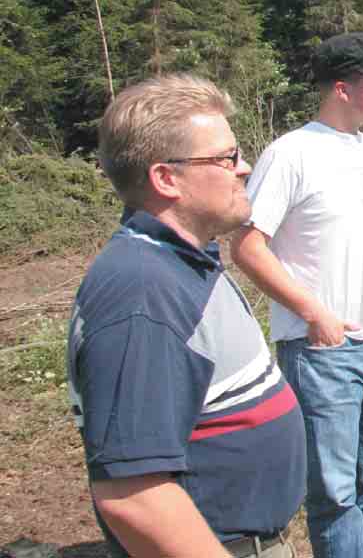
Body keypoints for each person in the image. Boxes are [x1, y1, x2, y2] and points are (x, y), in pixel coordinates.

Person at [67, 74, 306, 558]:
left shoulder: (183, 264)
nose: (246, 167)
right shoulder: (142, 294)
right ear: (166, 178)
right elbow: (134, 495)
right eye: (226, 158)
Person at [232, 32, 363, 558]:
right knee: (334, 492)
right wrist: (315, 314)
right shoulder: (290, 154)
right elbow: (247, 246)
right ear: (341, 87)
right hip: (323, 353)